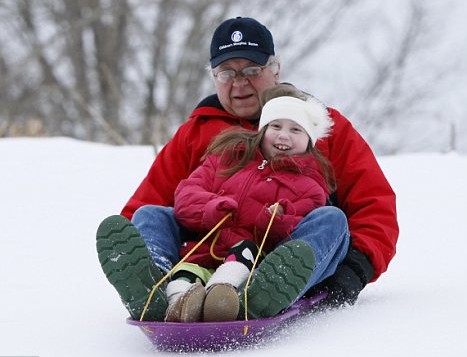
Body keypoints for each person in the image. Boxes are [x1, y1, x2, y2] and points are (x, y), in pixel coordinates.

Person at [96, 17, 398, 322]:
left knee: (331, 220)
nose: (239, 82)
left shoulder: (320, 128)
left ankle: (267, 290)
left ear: (275, 70)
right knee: (150, 214)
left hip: (276, 250)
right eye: (226, 72)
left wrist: (357, 267)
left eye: (252, 70)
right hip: (206, 248)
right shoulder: (198, 133)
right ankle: (156, 288)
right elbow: (148, 201)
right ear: (213, 77)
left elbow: (373, 203)